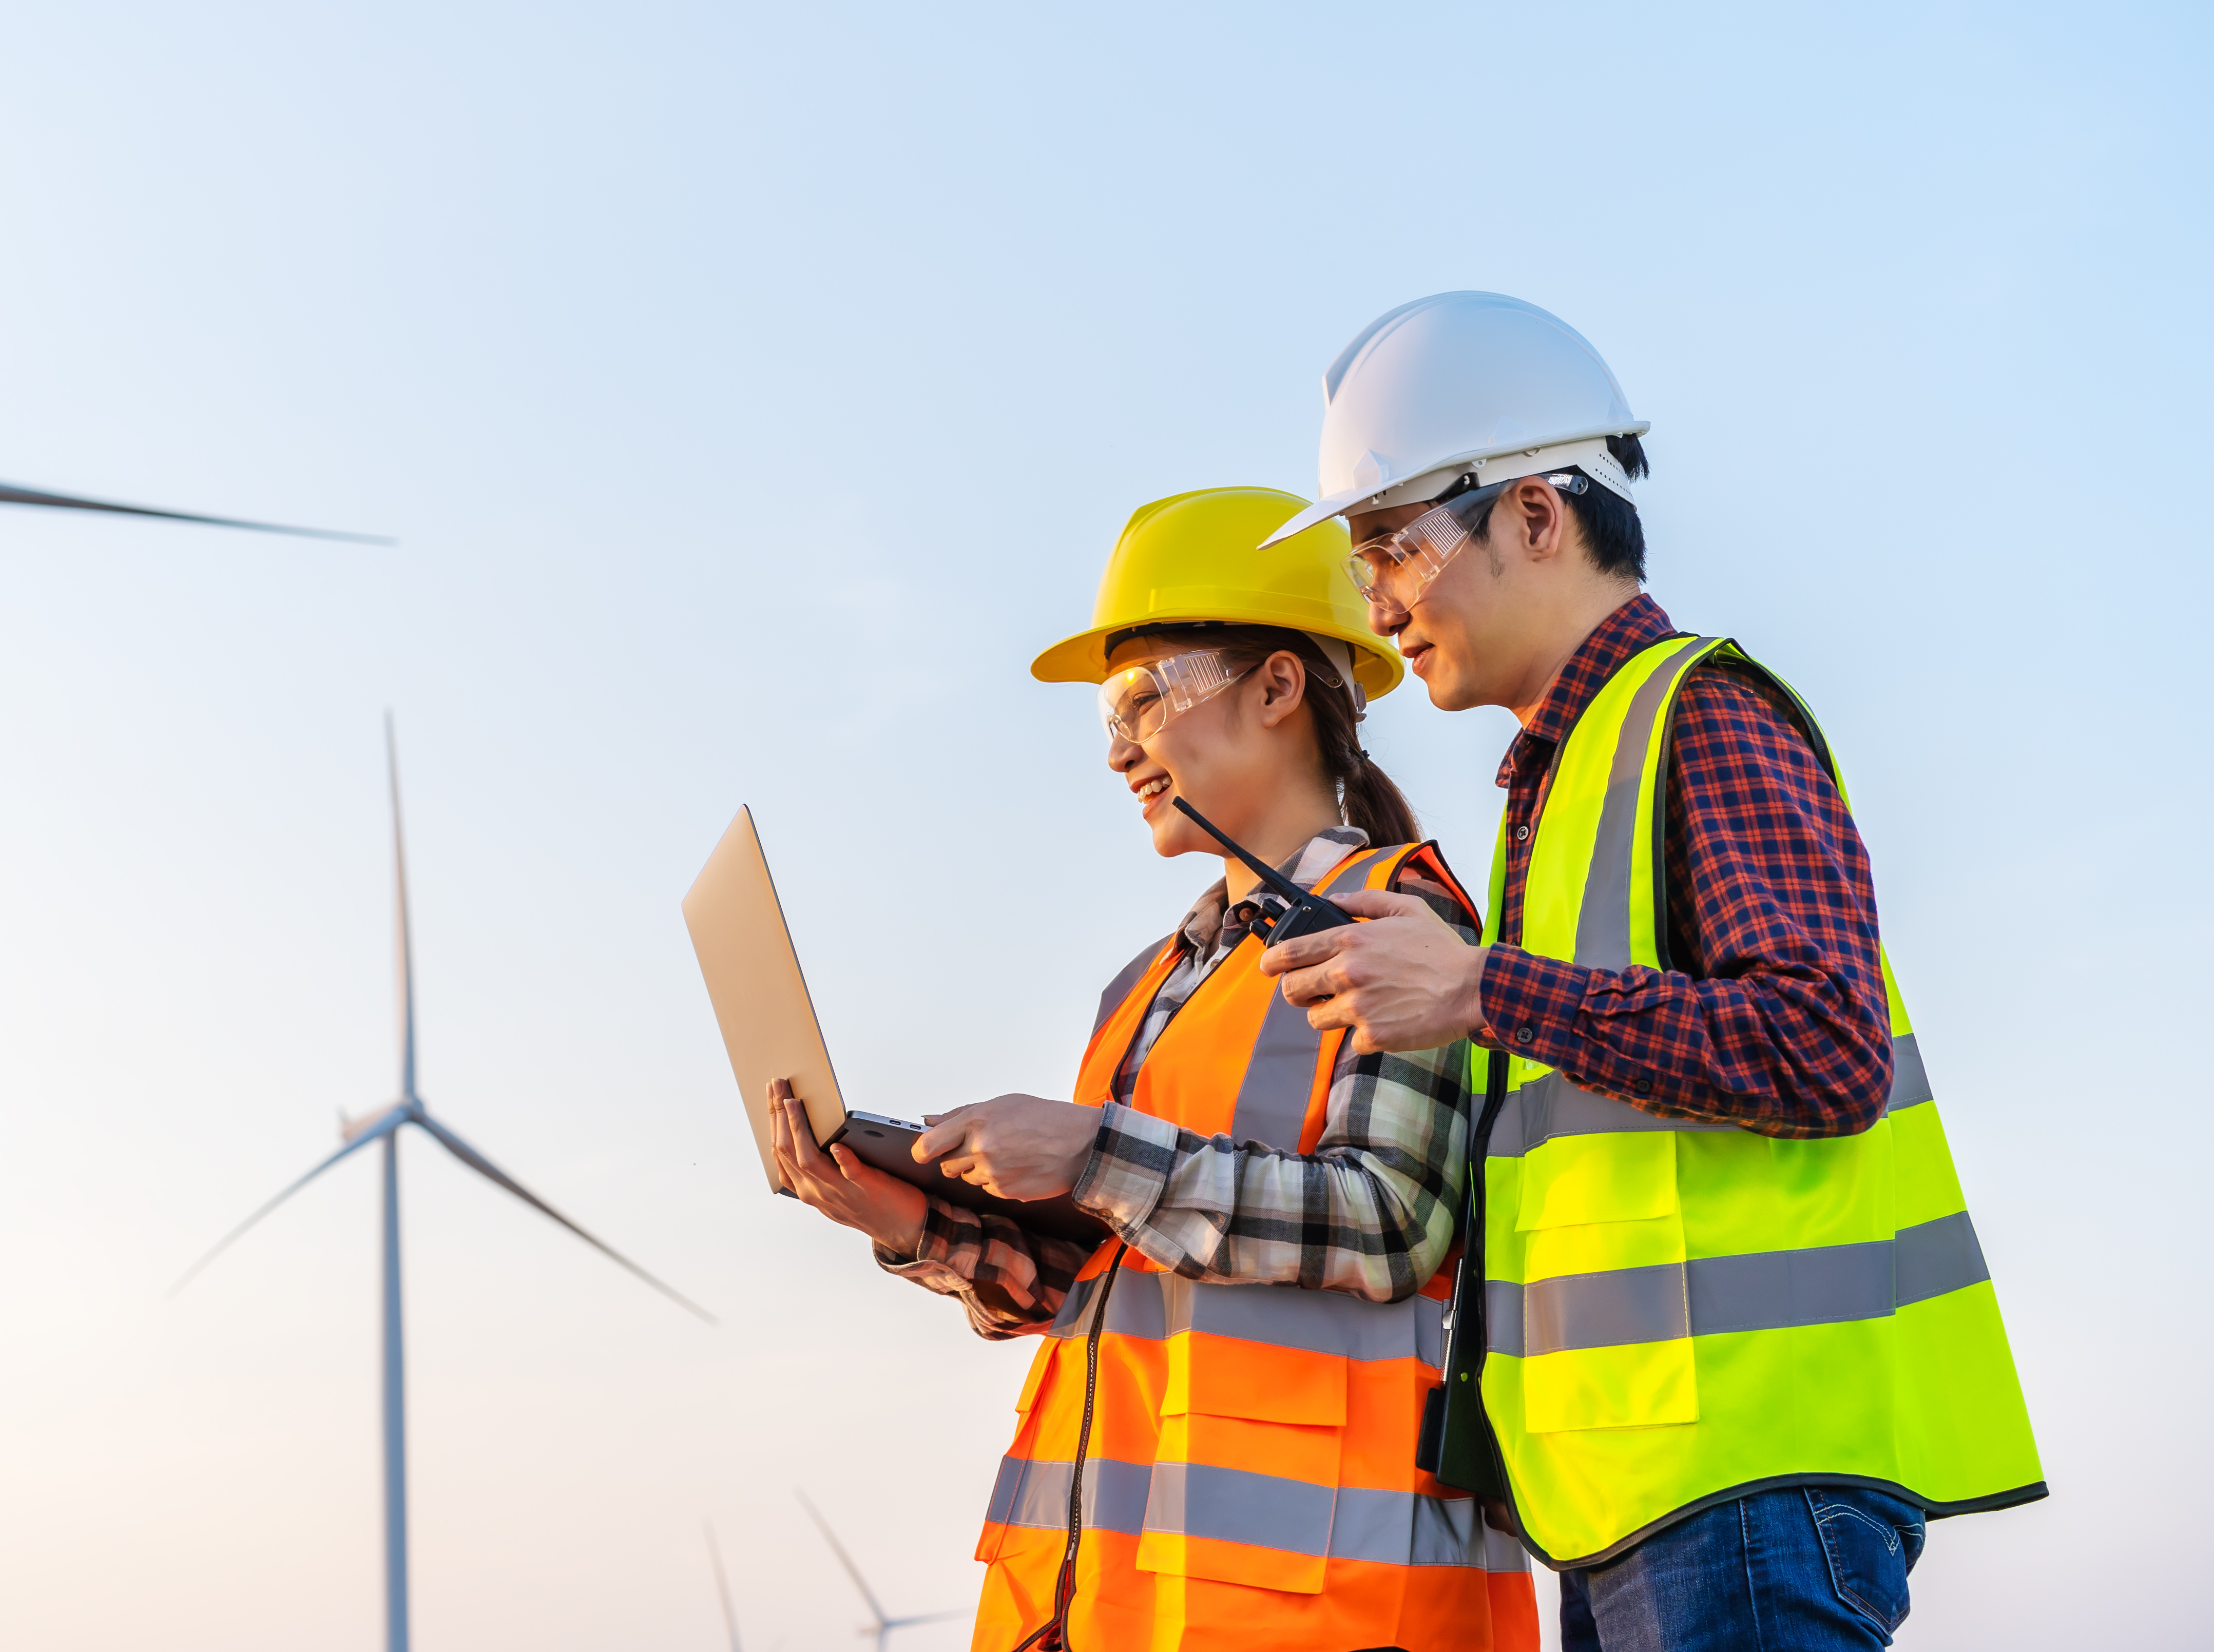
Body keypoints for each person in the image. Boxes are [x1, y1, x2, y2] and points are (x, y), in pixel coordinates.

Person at [1248, 293, 2045, 1652]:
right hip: (1638, 1493)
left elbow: (1822, 1047)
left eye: (1393, 548)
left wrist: (1484, 991)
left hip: (1745, 1485)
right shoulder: (1557, 783)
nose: (1377, 604)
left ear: (1538, 517)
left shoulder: (1700, 717)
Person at [766, 487, 1534, 1652]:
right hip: (1114, 1600)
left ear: (1279, 686)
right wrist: (913, 1221)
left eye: (1146, 697)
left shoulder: (1402, 919)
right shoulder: (1145, 984)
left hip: (1327, 1604)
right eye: (1108, 715)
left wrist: (1090, 1149)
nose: (1122, 746)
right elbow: (1111, 1273)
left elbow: (1396, 1219)